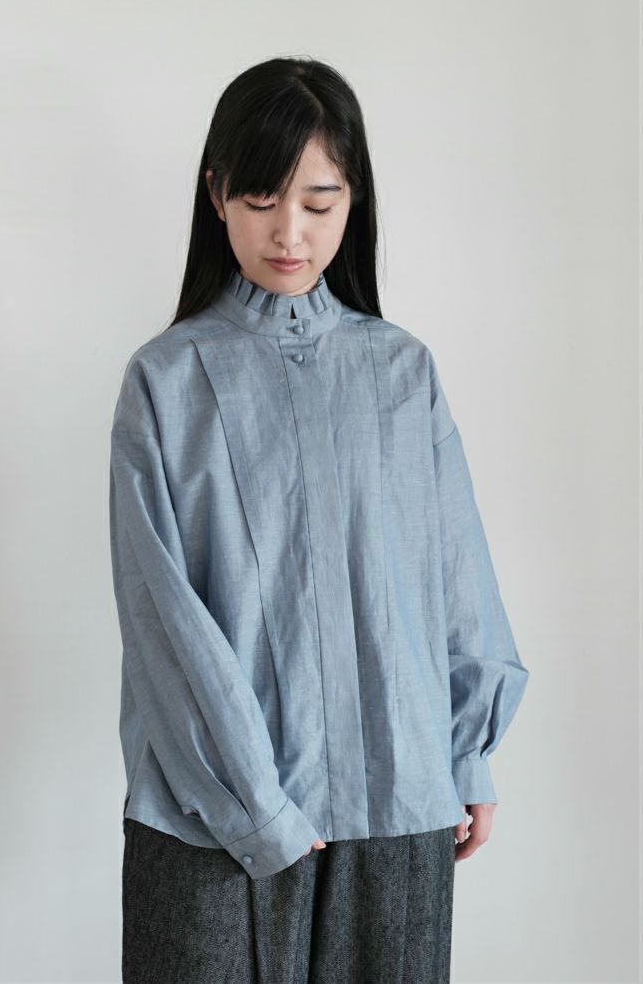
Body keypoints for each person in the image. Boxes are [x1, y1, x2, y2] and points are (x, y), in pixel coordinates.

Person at [109, 55, 529, 983]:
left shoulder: (403, 372)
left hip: (397, 810)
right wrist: (256, 804)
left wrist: (467, 757)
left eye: (319, 201)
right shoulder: (165, 382)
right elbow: (162, 622)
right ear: (216, 195)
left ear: (354, 200)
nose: (289, 233)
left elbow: (455, 576)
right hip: (212, 826)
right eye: (261, 199)